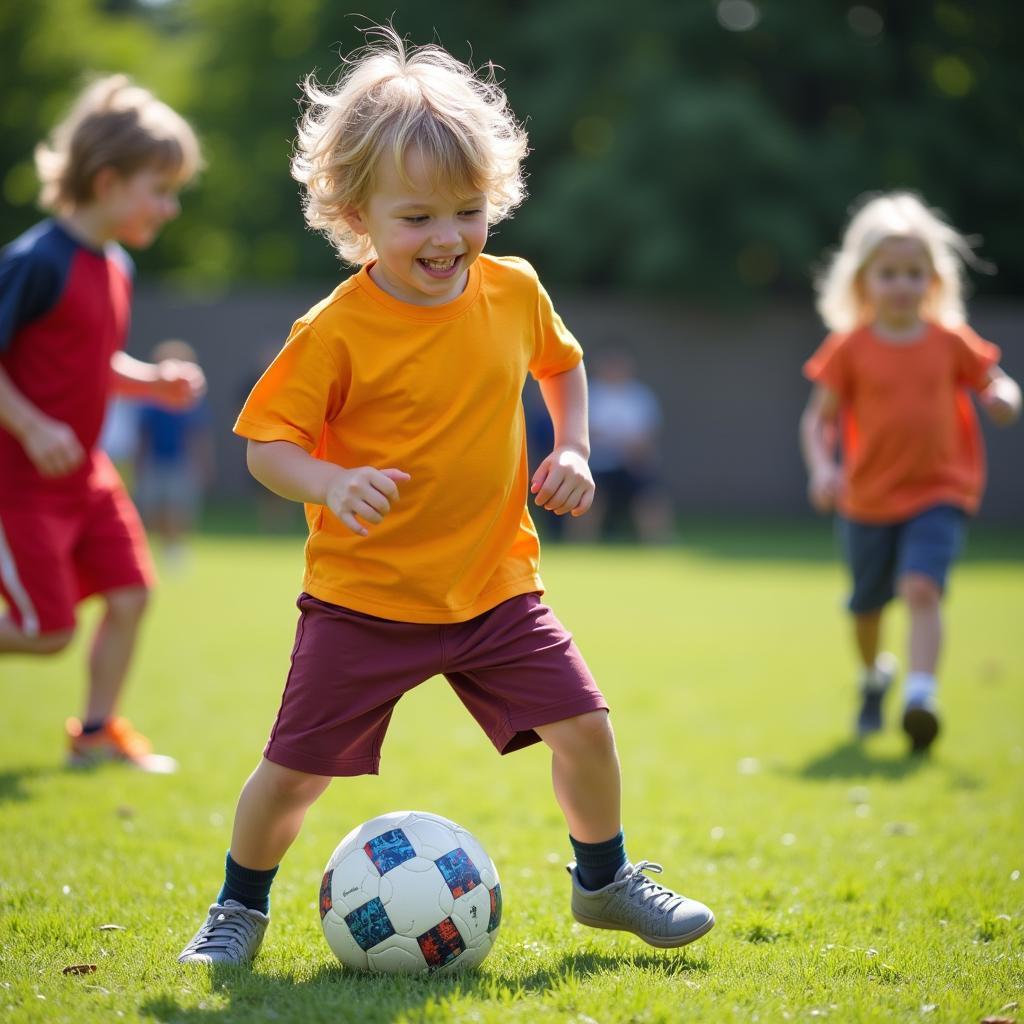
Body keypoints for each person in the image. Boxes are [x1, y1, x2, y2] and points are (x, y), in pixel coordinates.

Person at [178, 29, 714, 965]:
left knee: (585, 731)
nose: (447, 238)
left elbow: (564, 365)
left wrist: (577, 447)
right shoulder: (335, 329)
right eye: (418, 217)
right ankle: (237, 910)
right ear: (357, 215)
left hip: (496, 587)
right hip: (365, 601)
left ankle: (605, 883)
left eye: (468, 211)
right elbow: (267, 447)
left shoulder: (513, 291)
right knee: (294, 777)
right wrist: (331, 480)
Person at [0, 75, 206, 772]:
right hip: (21, 484)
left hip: (85, 475)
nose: (172, 207)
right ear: (110, 180)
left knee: (131, 593)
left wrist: (150, 381)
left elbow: (87, 359)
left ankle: (94, 733)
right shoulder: (34, 261)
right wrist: (29, 426)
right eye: (161, 188)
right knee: (46, 631)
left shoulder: (114, 264)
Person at [799, 192, 1020, 752]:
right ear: (863, 283)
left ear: (934, 281)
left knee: (923, 588)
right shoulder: (849, 348)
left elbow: (996, 381)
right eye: (889, 273)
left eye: (914, 274)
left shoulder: (950, 342)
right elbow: (816, 421)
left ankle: (921, 696)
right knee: (865, 609)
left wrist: (1004, 398)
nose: (902, 284)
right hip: (866, 498)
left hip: (940, 490)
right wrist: (824, 468)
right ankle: (877, 676)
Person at [569, 349, 674, 543]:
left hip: (631, 463)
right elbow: (584, 431)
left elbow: (646, 438)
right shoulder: (588, 394)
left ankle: (658, 541)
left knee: (649, 492)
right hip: (598, 464)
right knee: (589, 494)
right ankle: (580, 543)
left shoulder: (641, 397)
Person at [135, 339, 213, 567]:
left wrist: (203, 465)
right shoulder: (149, 399)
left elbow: (198, 436)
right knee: (154, 509)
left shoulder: (192, 402)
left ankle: (177, 550)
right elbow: (144, 435)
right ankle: (164, 547)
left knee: (179, 508)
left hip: (182, 462)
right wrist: (139, 463)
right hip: (155, 461)